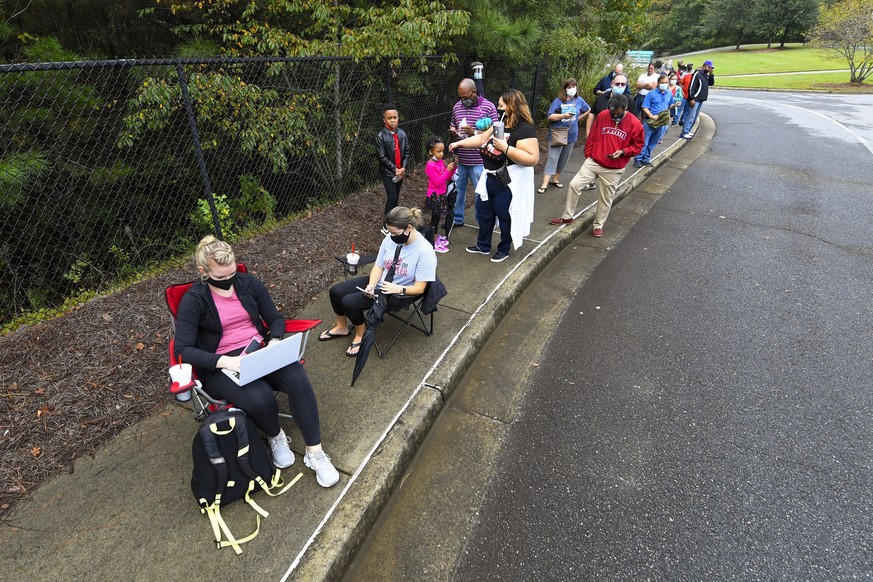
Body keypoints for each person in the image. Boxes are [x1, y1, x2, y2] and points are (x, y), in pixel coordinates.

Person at [174, 236, 339, 488]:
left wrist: (274, 340)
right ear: (203, 272)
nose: (229, 280)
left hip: (259, 351)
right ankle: (276, 435)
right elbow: (183, 349)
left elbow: (274, 318)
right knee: (259, 396)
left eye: (232, 272)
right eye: (221, 277)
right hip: (221, 364)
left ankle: (314, 453)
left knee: (298, 380)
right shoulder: (194, 300)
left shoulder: (249, 284)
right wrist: (224, 361)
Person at [321, 206, 437, 356]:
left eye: (394, 233)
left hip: (400, 293)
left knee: (349, 302)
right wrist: (371, 285)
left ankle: (361, 334)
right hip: (381, 284)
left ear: (409, 228)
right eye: (389, 232)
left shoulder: (424, 251)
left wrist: (398, 289)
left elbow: (420, 288)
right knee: (336, 291)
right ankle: (341, 327)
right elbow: (379, 265)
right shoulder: (390, 239)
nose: (391, 236)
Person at [450, 89, 539, 263]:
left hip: (507, 182)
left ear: (512, 105)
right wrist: (459, 143)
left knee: (505, 216)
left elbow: (532, 158)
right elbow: (482, 138)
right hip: (489, 177)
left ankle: (504, 249)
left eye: (501, 105)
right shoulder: (501, 121)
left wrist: (506, 148)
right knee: (484, 213)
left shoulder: (525, 130)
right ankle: (483, 245)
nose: (498, 108)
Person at [549, 93, 644, 237]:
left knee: (605, 198)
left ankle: (598, 225)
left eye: (617, 113)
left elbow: (638, 146)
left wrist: (624, 151)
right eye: (612, 113)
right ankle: (567, 216)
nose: (614, 116)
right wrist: (588, 156)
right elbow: (593, 135)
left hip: (614, 168)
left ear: (625, 109)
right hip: (594, 161)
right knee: (574, 185)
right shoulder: (603, 115)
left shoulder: (634, 123)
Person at [448, 79, 499, 229]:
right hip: (461, 159)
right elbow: (453, 123)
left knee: (481, 195)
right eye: (460, 97)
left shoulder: (488, 107)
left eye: (466, 97)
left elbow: (495, 133)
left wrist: (473, 132)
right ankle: (457, 219)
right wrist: (452, 131)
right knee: (458, 192)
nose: (463, 101)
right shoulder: (457, 107)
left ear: (474, 93)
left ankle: (483, 222)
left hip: (480, 160)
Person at [537, 79, 590, 194]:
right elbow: (550, 116)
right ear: (565, 88)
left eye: (574, 86)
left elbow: (588, 109)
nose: (572, 89)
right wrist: (563, 116)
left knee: (564, 158)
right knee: (553, 158)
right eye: (570, 86)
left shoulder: (579, 100)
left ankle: (555, 179)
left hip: (572, 134)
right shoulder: (558, 101)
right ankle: (544, 183)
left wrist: (578, 118)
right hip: (558, 133)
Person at [375, 103, 411, 233]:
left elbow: (407, 152)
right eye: (389, 118)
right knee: (391, 197)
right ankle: (386, 225)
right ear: (384, 120)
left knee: (396, 197)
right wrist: (394, 169)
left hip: (400, 172)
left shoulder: (402, 134)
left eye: (394, 117)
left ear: (398, 118)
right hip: (388, 173)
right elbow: (381, 156)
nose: (392, 120)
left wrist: (403, 168)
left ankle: (394, 222)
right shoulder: (381, 136)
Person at [634, 74, 675, 168]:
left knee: (654, 141)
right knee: (644, 141)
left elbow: (670, 104)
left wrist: (675, 104)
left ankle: (646, 159)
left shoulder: (669, 93)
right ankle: (638, 159)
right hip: (650, 122)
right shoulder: (651, 94)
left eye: (666, 83)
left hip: (662, 122)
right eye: (662, 83)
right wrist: (651, 116)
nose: (664, 84)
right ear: (658, 83)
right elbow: (644, 107)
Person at [424, 136, 457, 253]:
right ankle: (433, 241)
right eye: (438, 151)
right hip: (434, 195)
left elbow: (446, 178)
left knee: (437, 217)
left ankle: (436, 237)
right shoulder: (430, 165)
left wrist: (453, 168)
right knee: (435, 218)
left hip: (441, 194)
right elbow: (437, 182)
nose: (441, 154)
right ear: (430, 151)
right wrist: (448, 170)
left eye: (442, 151)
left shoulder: (440, 162)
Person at [681, 60, 715, 140]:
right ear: (705, 66)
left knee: (695, 116)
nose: (710, 69)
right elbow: (692, 86)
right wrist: (691, 98)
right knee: (691, 116)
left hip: (701, 99)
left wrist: (711, 74)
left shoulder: (705, 75)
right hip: (695, 99)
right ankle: (684, 132)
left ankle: (688, 130)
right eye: (709, 67)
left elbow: (711, 83)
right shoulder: (698, 74)